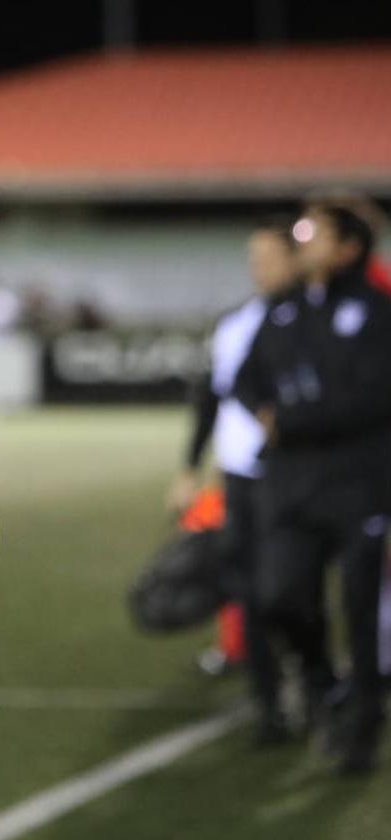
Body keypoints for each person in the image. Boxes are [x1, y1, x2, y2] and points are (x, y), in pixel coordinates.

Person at [234, 202, 391, 774]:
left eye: (315, 234)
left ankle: (364, 724)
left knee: (361, 606)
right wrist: (266, 413)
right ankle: (324, 682)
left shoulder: (376, 313)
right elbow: (246, 379)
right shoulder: (284, 311)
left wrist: (291, 420)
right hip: (292, 487)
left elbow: (372, 399)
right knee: (280, 597)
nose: (301, 243)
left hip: (358, 488)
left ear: (349, 249)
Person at [167, 217, 299, 743]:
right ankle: (269, 708)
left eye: (269, 259)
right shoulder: (236, 324)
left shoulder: (311, 322)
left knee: (290, 594)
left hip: (299, 478)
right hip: (243, 480)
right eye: (254, 260)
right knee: (250, 590)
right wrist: (188, 469)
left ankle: (315, 677)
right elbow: (210, 400)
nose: (259, 270)